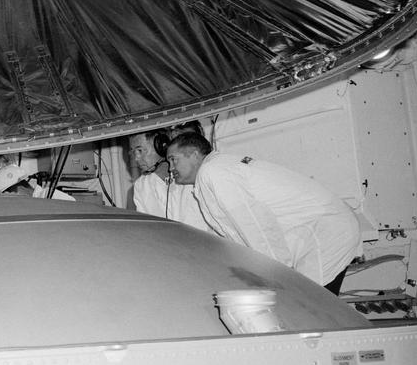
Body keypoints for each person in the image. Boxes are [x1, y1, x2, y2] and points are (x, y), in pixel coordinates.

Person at [166, 133, 360, 292]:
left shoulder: (214, 172)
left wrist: (276, 276)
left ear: (194, 154)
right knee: (303, 308)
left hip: (325, 232)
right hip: (321, 231)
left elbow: (255, 225)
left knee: (307, 307)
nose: (170, 169)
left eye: (173, 160)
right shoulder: (217, 170)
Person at [128, 123, 213, 232]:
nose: (136, 158)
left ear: (161, 146)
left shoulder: (193, 175)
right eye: (133, 152)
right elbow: (146, 229)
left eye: (140, 150)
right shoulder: (141, 186)